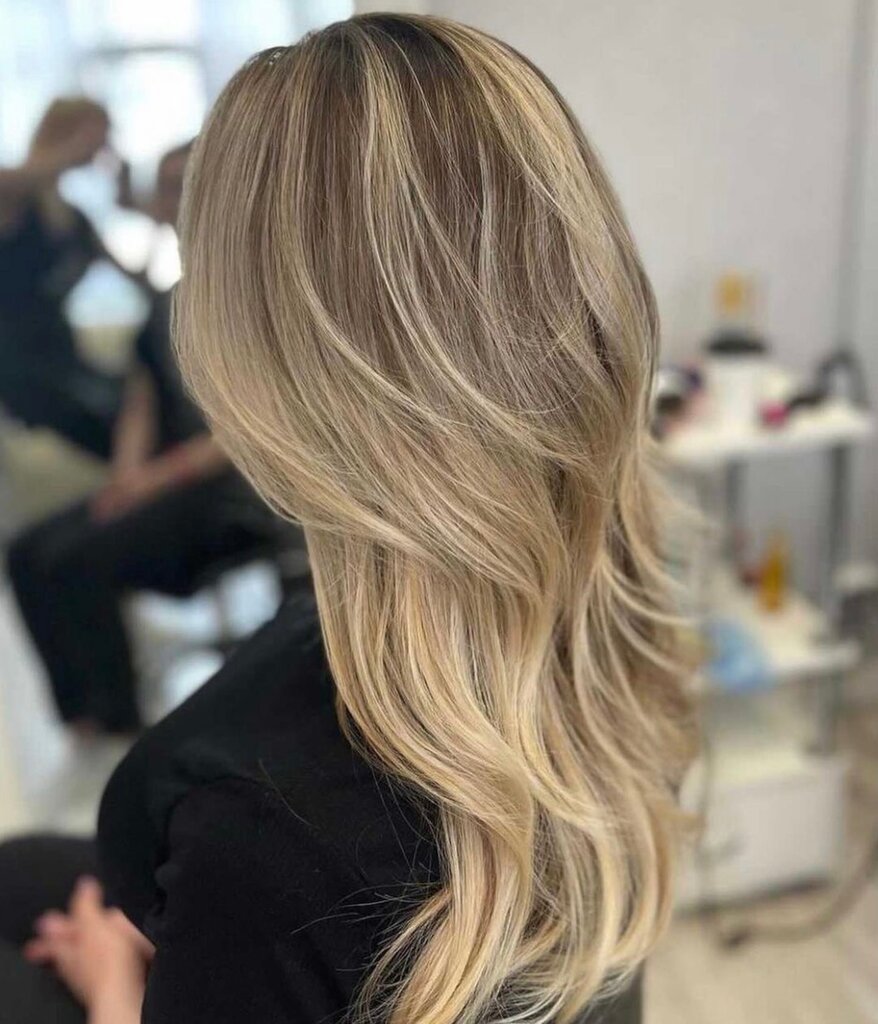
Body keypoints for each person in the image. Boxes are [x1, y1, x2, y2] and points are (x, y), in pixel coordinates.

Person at [0, 15, 695, 1024]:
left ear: (253, 356)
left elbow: (260, 898)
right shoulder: (617, 617)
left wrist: (114, 988)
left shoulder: (261, 829)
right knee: (21, 869)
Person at [5, 143, 281, 736]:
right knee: (27, 553)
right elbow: (142, 397)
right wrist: (127, 478)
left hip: (235, 492)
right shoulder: (167, 300)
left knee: (77, 560)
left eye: (189, 184)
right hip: (166, 480)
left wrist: (155, 480)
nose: (178, 198)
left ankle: (119, 722)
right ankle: (80, 716)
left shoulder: (256, 295)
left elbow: (253, 428)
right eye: (170, 186)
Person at [0, 98, 134, 459]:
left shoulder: (73, 219)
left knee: (141, 402)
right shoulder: (12, 199)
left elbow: (137, 277)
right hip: (18, 369)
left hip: (65, 358)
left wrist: (127, 197)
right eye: (98, 135)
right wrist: (72, 149)